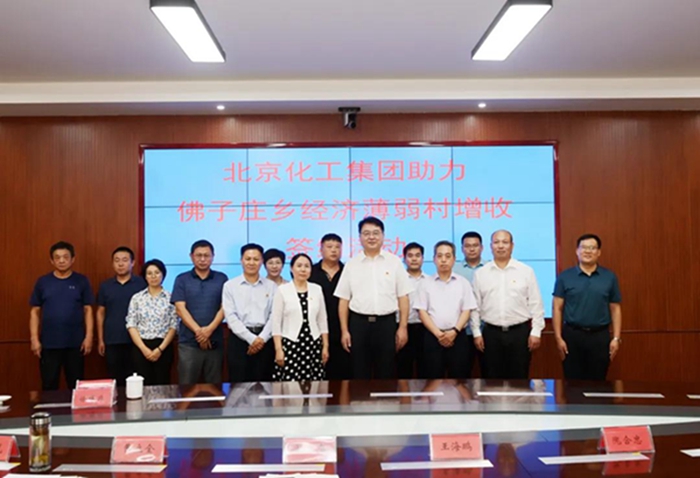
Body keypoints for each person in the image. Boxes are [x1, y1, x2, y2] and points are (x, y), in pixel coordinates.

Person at [335, 217, 413, 379]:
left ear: (383, 236)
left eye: (376, 233)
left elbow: (403, 297)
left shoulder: (394, 262)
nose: (371, 237)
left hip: (386, 324)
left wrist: (403, 327)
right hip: (359, 324)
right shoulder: (352, 264)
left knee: (387, 371)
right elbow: (343, 300)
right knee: (359, 371)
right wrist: (344, 331)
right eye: (366, 233)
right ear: (359, 237)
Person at [471, 230, 545, 379]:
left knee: (519, 379)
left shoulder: (526, 271)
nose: (500, 246)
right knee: (491, 380)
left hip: (520, 333)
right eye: (496, 242)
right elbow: (475, 307)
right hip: (490, 334)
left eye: (505, 242)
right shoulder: (481, 273)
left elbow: (536, 303)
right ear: (490, 246)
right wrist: (476, 333)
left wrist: (536, 331)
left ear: (512, 246)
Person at [553, 234, 622, 381]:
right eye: (584, 247)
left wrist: (616, 338)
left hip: (600, 336)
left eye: (592, 248)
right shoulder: (565, 277)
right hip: (572, 335)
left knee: (598, 382)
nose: (588, 251)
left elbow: (615, 308)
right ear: (577, 251)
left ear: (599, 252)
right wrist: (558, 338)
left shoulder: (609, 277)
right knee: (572, 383)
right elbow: (557, 308)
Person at [29, 241, 94, 390]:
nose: (62, 260)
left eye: (65, 257)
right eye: (57, 257)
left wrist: (89, 336)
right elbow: (35, 311)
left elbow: (88, 310)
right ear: (52, 260)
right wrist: (34, 339)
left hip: (75, 343)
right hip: (49, 343)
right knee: (49, 385)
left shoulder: (81, 281)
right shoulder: (43, 282)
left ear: (73, 259)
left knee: (76, 385)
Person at [416, 241, 477, 379]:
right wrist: (438, 334)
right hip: (433, 337)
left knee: (460, 379)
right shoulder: (425, 283)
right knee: (433, 378)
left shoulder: (463, 283)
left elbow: (467, 310)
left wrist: (454, 331)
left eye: (448, 256)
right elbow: (422, 312)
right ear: (434, 259)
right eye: (440, 256)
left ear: (454, 259)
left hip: (458, 336)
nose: (443, 260)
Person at [172, 240, 228, 385]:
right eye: (198, 255)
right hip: (188, 343)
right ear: (191, 256)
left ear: (213, 257)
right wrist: (200, 333)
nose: (202, 259)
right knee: (186, 387)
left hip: (215, 342)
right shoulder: (182, 279)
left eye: (206, 255)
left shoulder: (222, 278)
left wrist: (209, 331)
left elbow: (225, 307)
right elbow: (180, 309)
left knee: (215, 387)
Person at [223, 244, 277, 382]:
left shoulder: (271, 286)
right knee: (239, 385)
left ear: (262, 261)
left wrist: (261, 339)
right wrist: (251, 339)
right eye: (248, 259)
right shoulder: (230, 286)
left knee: (265, 385)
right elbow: (231, 316)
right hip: (239, 341)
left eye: (256, 259)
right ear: (241, 260)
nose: (251, 263)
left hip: (265, 341)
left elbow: (274, 315)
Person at [272, 253, 329, 381]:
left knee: (314, 383)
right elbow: (276, 323)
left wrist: (325, 346)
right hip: (290, 344)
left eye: (307, 266)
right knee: (290, 383)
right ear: (291, 268)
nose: (303, 269)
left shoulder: (317, 289)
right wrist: (278, 349)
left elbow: (322, 320)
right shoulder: (282, 290)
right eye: (299, 266)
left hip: (313, 343)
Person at [96, 246, 147, 386]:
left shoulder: (142, 284)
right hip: (112, 339)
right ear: (112, 263)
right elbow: (100, 312)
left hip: (137, 340)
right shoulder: (105, 286)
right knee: (115, 379)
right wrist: (100, 339)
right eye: (117, 260)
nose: (120, 264)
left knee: (136, 379)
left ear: (132, 263)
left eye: (124, 260)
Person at [126, 259, 178, 386]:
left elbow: (173, 325)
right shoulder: (137, 298)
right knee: (143, 385)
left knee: (162, 384)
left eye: (157, 272)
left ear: (163, 275)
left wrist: (160, 349)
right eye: (149, 273)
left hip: (163, 346)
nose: (153, 276)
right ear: (145, 276)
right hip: (141, 346)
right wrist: (144, 349)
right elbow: (131, 324)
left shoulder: (171, 298)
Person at [309, 233, 351, 380]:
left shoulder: (348, 271)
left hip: (344, 329)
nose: (334, 250)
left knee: (344, 372)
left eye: (337, 247)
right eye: (329, 247)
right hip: (316, 329)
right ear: (321, 250)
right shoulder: (311, 272)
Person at [453, 231, 485, 376]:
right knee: (462, 373)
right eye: (467, 246)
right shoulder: (454, 270)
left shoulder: (489, 269)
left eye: (475, 245)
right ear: (462, 249)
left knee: (489, 373)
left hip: (486, 329)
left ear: (482, 247)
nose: (471, 249)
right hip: (461, 330)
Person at [397, 242, 427, 379]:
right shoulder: (398, 280)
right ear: (404, 259)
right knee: (403, 367)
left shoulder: (430, 280)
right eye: (410, 256)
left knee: (425, 367)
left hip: (424, 328)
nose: (414, 259)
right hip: (402, 327)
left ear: (423, 258)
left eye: (417, 255)